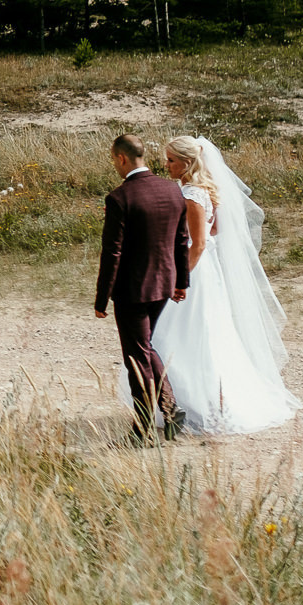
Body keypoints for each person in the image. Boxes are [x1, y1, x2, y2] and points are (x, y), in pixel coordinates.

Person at [153, 135, 301, 435]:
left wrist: (180, 276)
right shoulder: (200, 190)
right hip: (204, 270)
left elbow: (199, 245)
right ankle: (192, 403)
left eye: (171, 160)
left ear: (186, 162)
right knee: (191, 334)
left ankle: (208, 407)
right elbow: (215, 228)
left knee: (192, 336)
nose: (166, 165)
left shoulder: (193, 194)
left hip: (194, 272)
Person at [94, 133, 190, 443]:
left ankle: (144, 428)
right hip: (163, 285)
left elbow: (112, 252)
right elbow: (181, 240)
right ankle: (171, 411)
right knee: (145, 347)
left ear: (121, 158)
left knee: (136, 358)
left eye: (114, 161)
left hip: (132, 291)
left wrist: (102, 298)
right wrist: (181, 281)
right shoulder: (172, 191)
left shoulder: (120, 198)